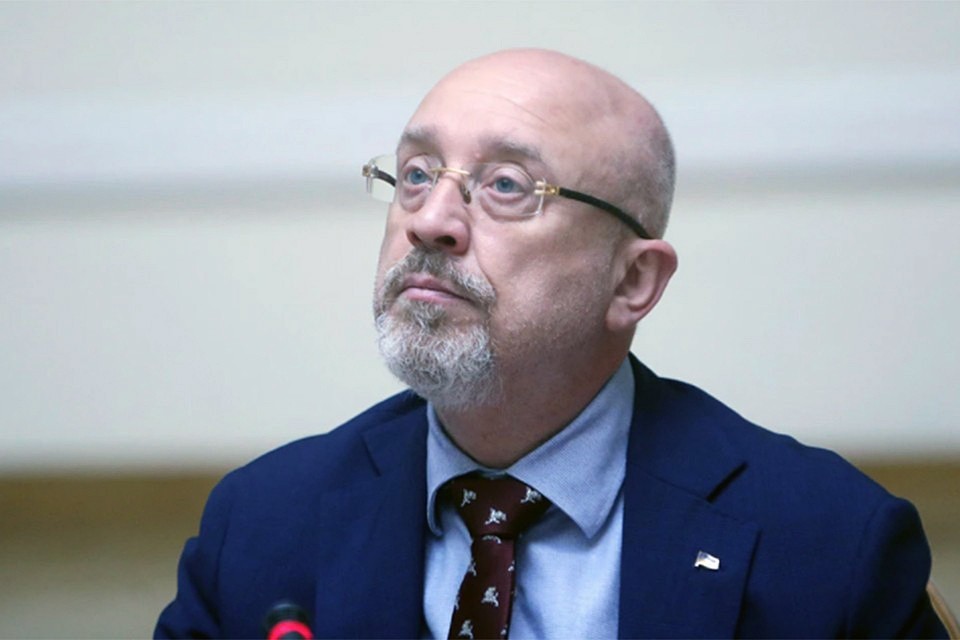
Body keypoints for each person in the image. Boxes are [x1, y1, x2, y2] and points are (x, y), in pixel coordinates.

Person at [155, 49, 948, 639]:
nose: (430, 220)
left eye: (506, 185)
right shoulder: (262, 525)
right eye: (417, 173)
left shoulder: (830, 545)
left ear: (632, 281)